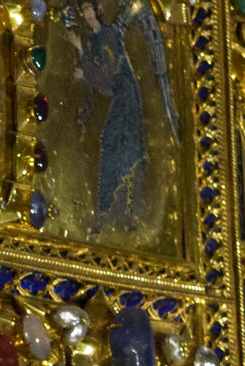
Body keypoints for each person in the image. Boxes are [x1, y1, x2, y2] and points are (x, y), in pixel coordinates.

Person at [67, 0, 177, 233]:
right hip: (119, 97)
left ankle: (124, 212)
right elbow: (101, 84)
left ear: (97, 10)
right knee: (115, 147)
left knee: (122, 148)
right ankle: (113, 213)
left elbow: (106, 79)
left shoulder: (107, 35)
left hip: (126, 97)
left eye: (89, 8)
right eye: (83, 10)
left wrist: (82, 60)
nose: (87, 14)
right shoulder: (96, 40)